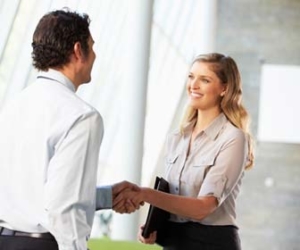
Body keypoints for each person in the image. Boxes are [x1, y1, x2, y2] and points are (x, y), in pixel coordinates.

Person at [0, 9, 139, 250]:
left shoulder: (12, 106)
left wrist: (106, 197)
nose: (95, 55)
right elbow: (65, 206)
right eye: (92, 46)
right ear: (78, 50)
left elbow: (34, 190)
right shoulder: (81, 117)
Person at [114, 53, 254, 250]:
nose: (193, 85)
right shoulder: (177, 137)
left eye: (204, 80)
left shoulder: (233, 138)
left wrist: (144, 194)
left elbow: (203, 208)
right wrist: (156, 225)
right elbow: (173, 195)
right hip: (174, 241)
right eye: (191, 76)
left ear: (224, 88)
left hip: (212, 243)